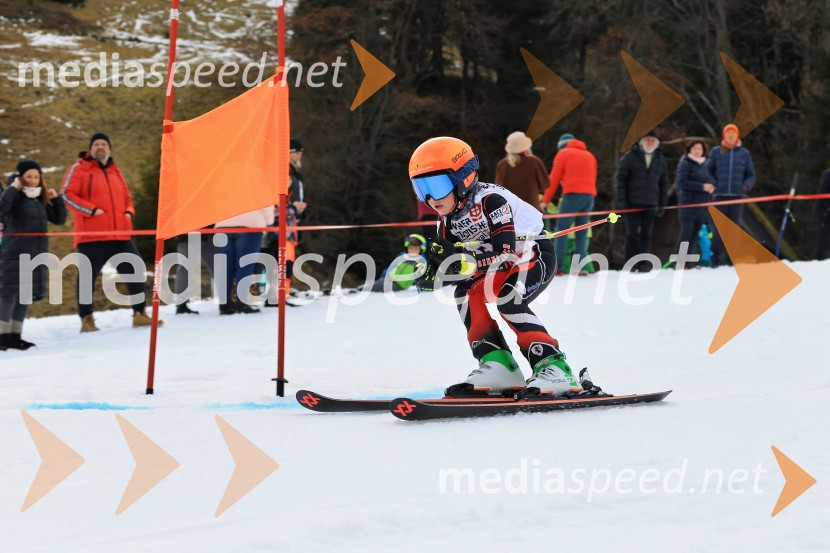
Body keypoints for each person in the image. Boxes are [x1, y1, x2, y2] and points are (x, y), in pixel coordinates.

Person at [409, 136, 589, 397]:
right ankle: (498, 364)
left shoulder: (492, 200)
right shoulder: (445, 221)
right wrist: (436, 273)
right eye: (420, 188)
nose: (429, 198)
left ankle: (555, 366)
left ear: (464, 178)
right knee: (464, 294)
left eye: (435, 186)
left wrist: (464, 263)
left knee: (509, 299)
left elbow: (503, 254)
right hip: (499, 267)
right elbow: (454, 265)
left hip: (533, 256)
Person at [61, 132, 159, 332]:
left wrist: (129, 213)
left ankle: (139, 314)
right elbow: (67, 195)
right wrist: (91, 211)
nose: (100, 147)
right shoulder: (79, 168)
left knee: (135, 270)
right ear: (90, 148)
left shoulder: (115, 171)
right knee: (87, 277)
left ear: (109, 148)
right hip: (92, 236)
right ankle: (86, 319)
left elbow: (127, 197)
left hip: (120, 235)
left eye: (103, 144)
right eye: (96, 144)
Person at [0, 161, 67, 350]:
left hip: (36, 254)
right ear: (21, 177)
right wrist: (13, 188)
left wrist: (57, 199)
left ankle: (15, 335)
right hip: (14, 252)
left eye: (36, 177)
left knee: (25, 295)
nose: (33, 180)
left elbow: (60, 219)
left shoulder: (39, 200)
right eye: (29, 176)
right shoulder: (13, 197)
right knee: (8, 294)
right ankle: (2, 336)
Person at [540, 133, 598, 272]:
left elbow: (553, 179)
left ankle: (557, 267)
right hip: (589, 196)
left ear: (561, 146)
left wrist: (545, 201)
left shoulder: (563, 154)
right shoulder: (590, 156)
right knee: (581, 231)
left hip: (572, 196)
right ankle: (582, 266)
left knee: (561, 230)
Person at [262, 138, 307, 305]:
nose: (299, 155)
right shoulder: (283, 169)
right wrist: (293, 208)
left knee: (287, 259)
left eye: (300, 152)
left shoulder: (295, 171)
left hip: (292, 220)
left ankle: (283, 293)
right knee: (280, 259)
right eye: (296, 152)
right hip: (281, 220)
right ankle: (276, 294)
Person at [616, 130, 670, 269]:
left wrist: (662, 204)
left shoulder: (661, 160)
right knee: (631, 235)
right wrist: (622, 202)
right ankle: (630, 264)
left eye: (652, 141)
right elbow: (621, 180)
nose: (649, 143)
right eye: (647, 140)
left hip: (651, 204)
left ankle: (644, 264)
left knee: (647, 235)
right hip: (632, 203)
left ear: (657, 143)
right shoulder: (630, 156)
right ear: (642, 141)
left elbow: (664, 184)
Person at [704, 123, 755, 267]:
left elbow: (751, 174)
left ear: (737, 135)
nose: (731, 135)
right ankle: (715, 259)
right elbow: (707, 170)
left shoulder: (745, 153)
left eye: (733, 133)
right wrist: (714, 184)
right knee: (719, 229)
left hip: (737, 197)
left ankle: (731, 259)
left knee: (734, 229)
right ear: (724, 135)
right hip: (719, 196)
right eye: (728, 133)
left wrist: (745, 186)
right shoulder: (716, 151)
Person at [215, 204, 274, 314]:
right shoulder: (259, 186)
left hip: (222, 224)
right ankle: (241, 302)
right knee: (245, 265)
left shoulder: (221, 186)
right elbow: (268, 205)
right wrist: (270, 222)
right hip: (250, 224)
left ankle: (224, 304)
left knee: (226, 267)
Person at [674, 140, 715, 259]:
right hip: (688, 204)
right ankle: (679, 260)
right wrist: (702, 187)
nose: (697, 151)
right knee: (686, 233)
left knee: (695, 235)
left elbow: (710, 180)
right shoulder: (685, 164)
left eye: (700, 149)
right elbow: (681, 182)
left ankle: (689, 261)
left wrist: (711, 187)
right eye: (695, 148)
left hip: (702, 206)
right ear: (689, 150)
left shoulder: (705, 166)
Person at [494, 131, 548, 208]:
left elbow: (498, 188)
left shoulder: (502, 164)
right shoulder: (534, 161)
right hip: (531, 208)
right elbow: (545, 185)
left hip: (510, 209)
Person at [173, 227, 217, 314]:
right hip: (189, 234)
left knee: (219, 269)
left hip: (206, 234)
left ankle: (226, 301)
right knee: (184, 269)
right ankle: (181, 305)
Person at [816, 168, 830, 260]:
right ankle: (819, 259)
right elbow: (822, 193)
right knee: (824, 235)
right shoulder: (828, 174)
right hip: (824, 210)